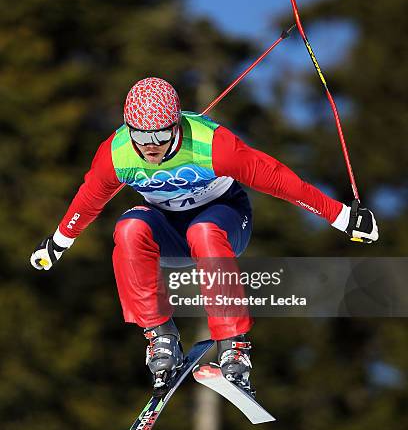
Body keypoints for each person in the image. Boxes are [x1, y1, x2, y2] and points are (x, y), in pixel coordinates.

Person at [30, 77, 379, 393]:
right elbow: (89, 198)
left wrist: (343, 217)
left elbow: (277, 179)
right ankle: (160, 336)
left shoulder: (212, 145)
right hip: (168, 229)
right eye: (140, 135)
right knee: (129, 228)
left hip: (225, 218)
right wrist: (59, 241)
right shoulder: (117, 154)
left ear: (176, 125)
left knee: (204, 231)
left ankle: (234, 347)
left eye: (160, 135)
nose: (149, 146)